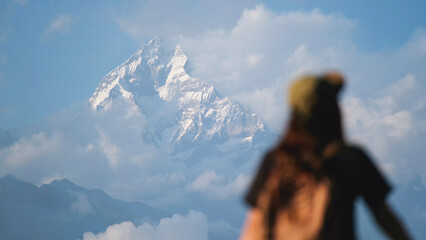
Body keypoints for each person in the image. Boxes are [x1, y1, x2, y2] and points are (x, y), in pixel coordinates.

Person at [239, 72, 412, 240]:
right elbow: (387, 220)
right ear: (333, 112)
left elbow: (254, 227)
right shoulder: (351, 158)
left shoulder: (275, 160)